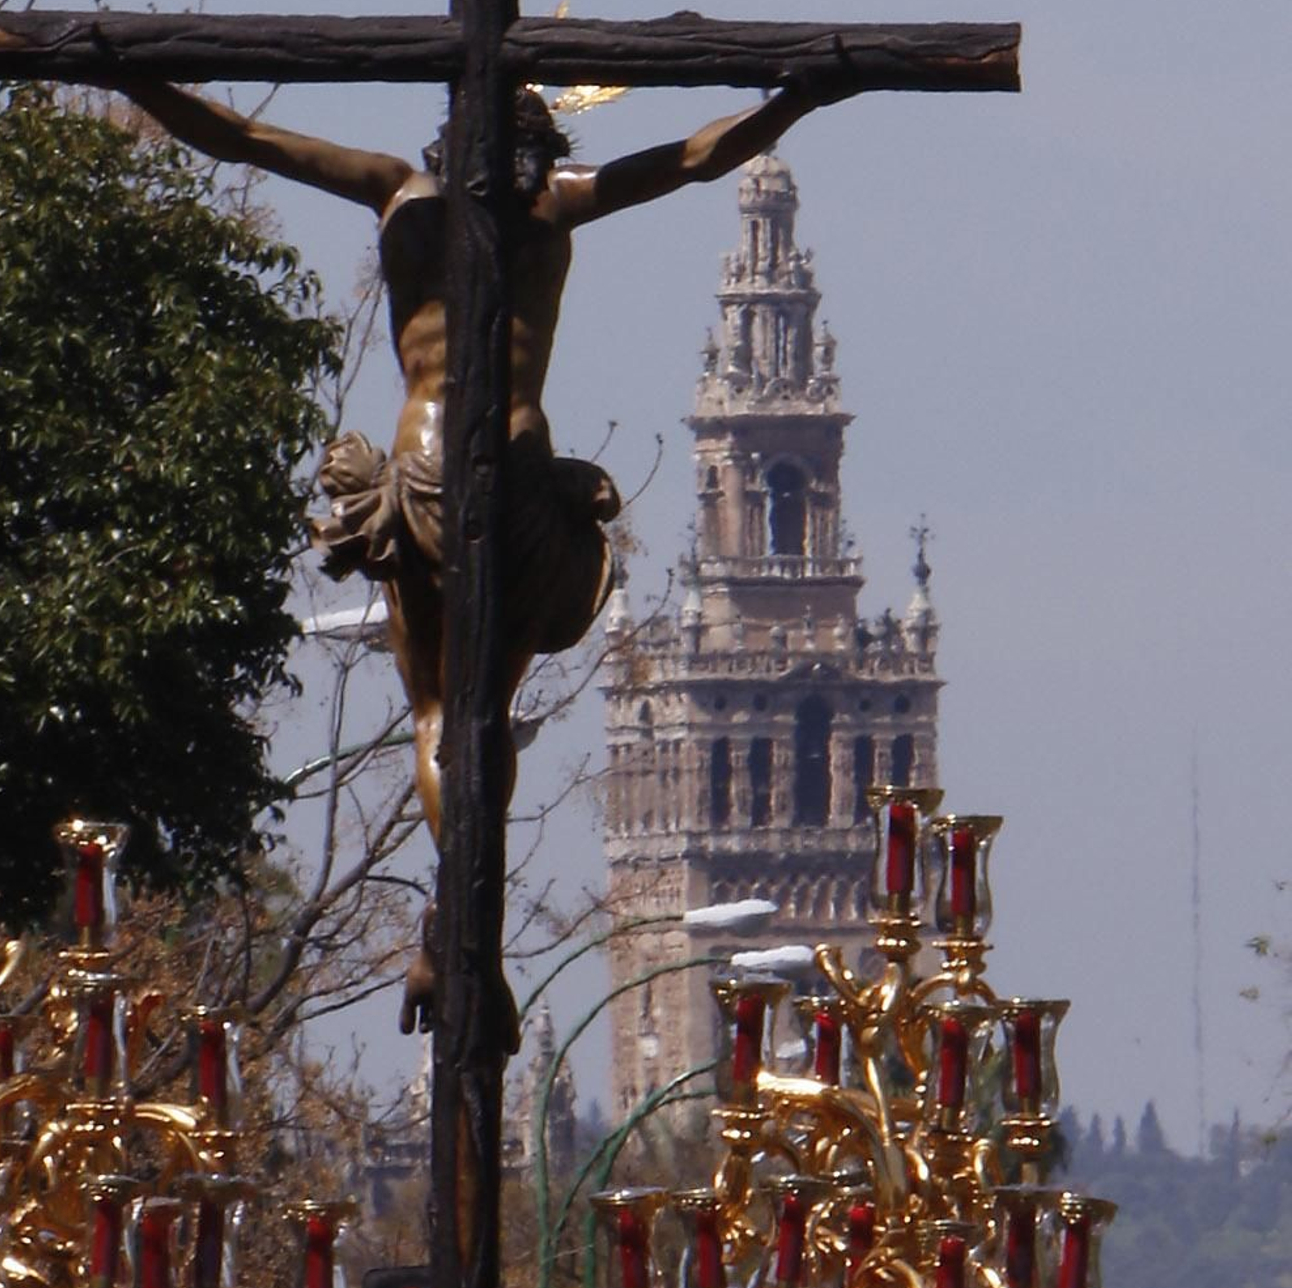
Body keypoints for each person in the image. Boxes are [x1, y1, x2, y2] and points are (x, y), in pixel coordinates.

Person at [98, 61, 861, 1028]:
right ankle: (469, 932)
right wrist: (795, 101)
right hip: (520, 479)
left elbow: (242, 138)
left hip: (425, 476)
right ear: (539, 143)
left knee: (435, 712)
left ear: (448, 137)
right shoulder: (556, 203)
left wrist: (129, 75)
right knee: (485, 713)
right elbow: (696, 157)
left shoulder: (398, 194)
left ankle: (459, 928)